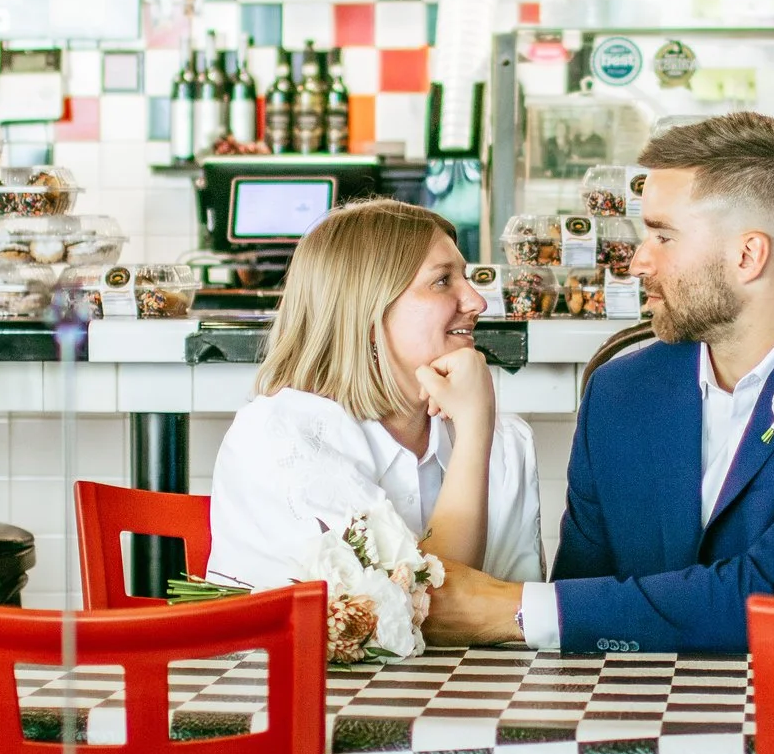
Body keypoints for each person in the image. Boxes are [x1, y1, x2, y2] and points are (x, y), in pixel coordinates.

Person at [425, 112, 774, 653]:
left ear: (747, 255)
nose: (637, 262)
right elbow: (586, 597)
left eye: (663, 236)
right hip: (637, 718)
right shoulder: (620, 390)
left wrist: (512, 609)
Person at [208, 197, 543, 591]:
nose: (477, 301)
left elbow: (515, 616)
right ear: (367, 315)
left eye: (467, 278)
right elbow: (427, 610)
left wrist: (478, 428)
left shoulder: (507, 443)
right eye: (442, 281)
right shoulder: (280, 439)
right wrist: (473, 432)